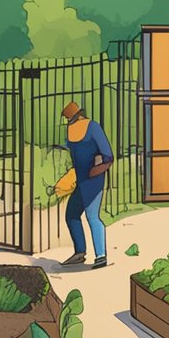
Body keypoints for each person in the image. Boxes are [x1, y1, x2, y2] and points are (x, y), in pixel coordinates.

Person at [59, 101, 114, 268]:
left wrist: (97, 168)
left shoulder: (93, 127)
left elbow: (108, 155)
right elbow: (72, 150)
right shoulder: (71, 131)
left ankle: (101, 255)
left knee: (92, 216)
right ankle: (80, 252)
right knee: (72, 215)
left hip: (93, 180)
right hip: (81, 180)